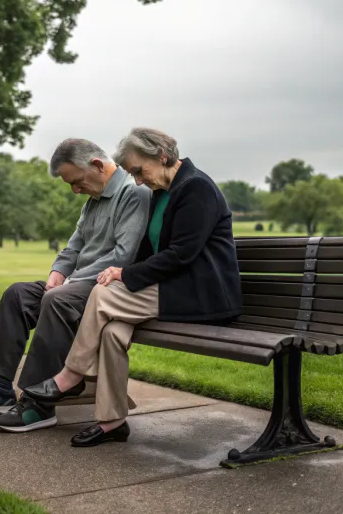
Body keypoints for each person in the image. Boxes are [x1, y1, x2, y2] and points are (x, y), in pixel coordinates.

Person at [23, 127, 242, 446]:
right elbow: (148, 250)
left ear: (162, 156)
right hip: (170, 291)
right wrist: (119, 270)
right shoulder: (160, 193)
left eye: (139, 171)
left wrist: (123, 275)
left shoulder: (196, 188)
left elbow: (181, 254)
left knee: (102, 294)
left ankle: (70, 376)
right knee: (112, 332)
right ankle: (113, 423)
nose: (137, 180)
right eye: (131, 174)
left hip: (202, 295)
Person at [0, 138, 152, 433]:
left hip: (109, 287)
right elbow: (73, 247)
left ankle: (39, 405)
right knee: (18, 294)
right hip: (79, 284)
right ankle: (1, 389)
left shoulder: (134, 194)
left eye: (77, 181)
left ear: (97, 165)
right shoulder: (92, 202)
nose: (74, 190)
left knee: (56, 300)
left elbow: (123, 256)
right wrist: (57, 272)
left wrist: (68, 282)